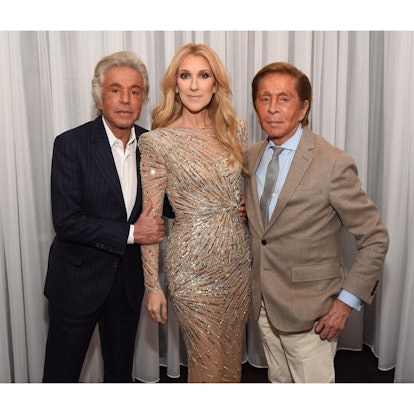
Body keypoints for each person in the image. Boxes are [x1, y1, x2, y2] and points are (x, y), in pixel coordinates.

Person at [244, 62, 389, 383]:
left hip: (313, 314)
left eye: (283, 99)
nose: (273, 109)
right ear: (255, 106)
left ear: (303, 108)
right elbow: (265, 226)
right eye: (264, 99)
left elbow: (375, 238)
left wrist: (345, 304)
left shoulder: (332, 162)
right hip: (265, 306)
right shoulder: (251, 157)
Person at [42, 51, 173, 383]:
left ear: (142, 98)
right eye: (115, 90)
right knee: (60, 379)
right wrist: (132, 234)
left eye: (134, 91)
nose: (125, 100)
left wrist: (226, 206)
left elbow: (166, 204)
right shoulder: (71, 144)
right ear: (99, 98)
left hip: (127, 287)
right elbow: (67, 221)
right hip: (77, 284)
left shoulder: (153, 144)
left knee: (119, 377)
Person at [138, 43, 251, 383]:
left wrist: (244, 206)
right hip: (190, 269)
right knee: (207, 364)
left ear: (216, 83)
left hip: (236, 263)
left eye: (203, 76)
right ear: (174, 84)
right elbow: (150, 220)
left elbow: (239, 191)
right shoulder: (158, 142)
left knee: (230, 363)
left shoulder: (237, 131)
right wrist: (152, 285)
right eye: (185, 76)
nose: (194, 85)